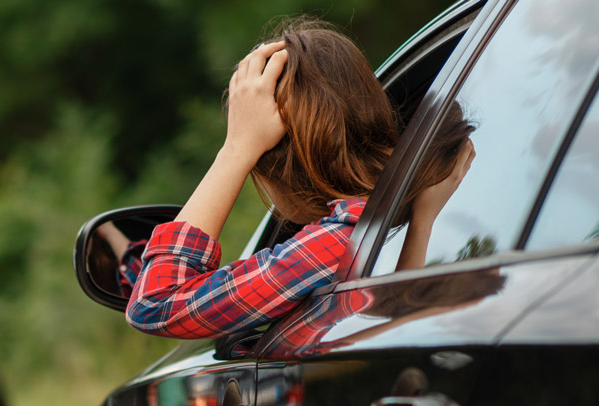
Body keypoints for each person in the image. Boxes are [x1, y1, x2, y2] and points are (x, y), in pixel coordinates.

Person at [126, 18, 475, 339]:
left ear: (274, 169)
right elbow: (395, 323)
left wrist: (236, 149)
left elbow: (155, 304)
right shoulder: (378, 227)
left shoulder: (336, 243)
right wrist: (423, 221)